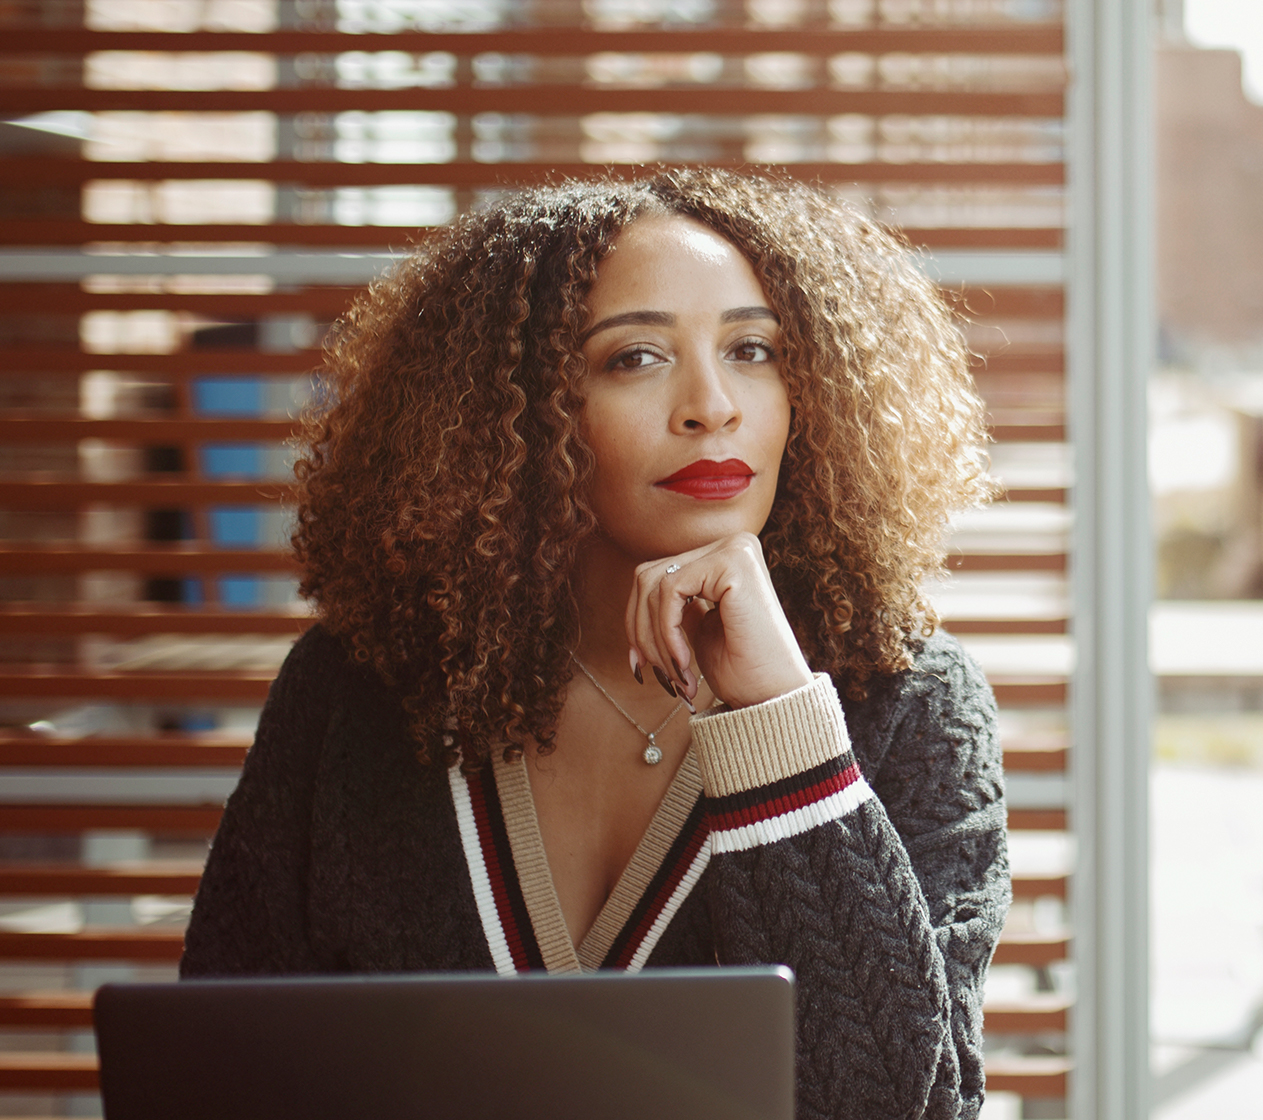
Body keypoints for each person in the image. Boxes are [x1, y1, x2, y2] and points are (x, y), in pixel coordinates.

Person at [180, 168, 1012, 1120]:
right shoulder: (350, 694)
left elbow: (900, 1106)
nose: (711, 405)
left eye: (753, 350)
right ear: (518, 418)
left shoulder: (911, 703)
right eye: (634, 359)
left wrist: (781, 723)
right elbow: (214, 1069)